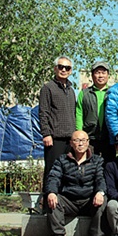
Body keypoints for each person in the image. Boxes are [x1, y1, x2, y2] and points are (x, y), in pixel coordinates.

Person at [45, 130, 107, 236]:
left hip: (88, 200)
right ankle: (58, 235)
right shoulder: (62, 160)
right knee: (52, 198)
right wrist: (52, 192)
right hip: (69, 200)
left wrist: (100, 192)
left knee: (103, 199)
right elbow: (54, 177)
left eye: (83, 140)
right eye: (77, 140)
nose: (80, 144)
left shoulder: (97, 160)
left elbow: (100, 179)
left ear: (88, 142)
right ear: (71, 143)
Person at [39, 56, 77, 185]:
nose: (64, 70)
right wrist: (46, 133)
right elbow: (43, 112)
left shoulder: (71, 91)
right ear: (55, 69)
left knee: (68, 173)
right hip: (54, 139)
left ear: (71, 71)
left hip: (70, 139)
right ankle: (47, 203)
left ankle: (62, 203)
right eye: (61, 67)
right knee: (52, 172)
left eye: (67, 68)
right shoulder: (48, 88)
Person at [76, 61, 112, 160]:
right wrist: (80, 135)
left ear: (108, 75)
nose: (100, 76)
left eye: (103, 72)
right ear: (92, 75)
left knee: (109, 167)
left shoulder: (113, 92)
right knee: (89, 167)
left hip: (108, 137)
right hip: (90, 138)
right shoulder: (84, 93)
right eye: (97, 72)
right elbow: (79, 114)